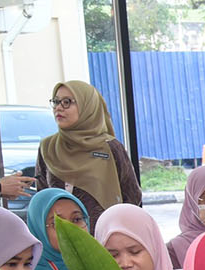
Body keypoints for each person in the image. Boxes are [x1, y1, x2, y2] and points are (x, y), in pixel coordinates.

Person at [35, 80, 141, 229]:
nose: (59, 107)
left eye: (67, 102)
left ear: (88, 106)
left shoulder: (109, 147)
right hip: (61, 237)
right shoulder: (48, 147)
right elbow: (42, 198)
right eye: (56, 101)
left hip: (103, 235)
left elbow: (132, 196)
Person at [27, 187, 92, 270]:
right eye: (57, 223)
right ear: (39, 230)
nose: (70, 229)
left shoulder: (101, 263)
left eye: (76, 219)